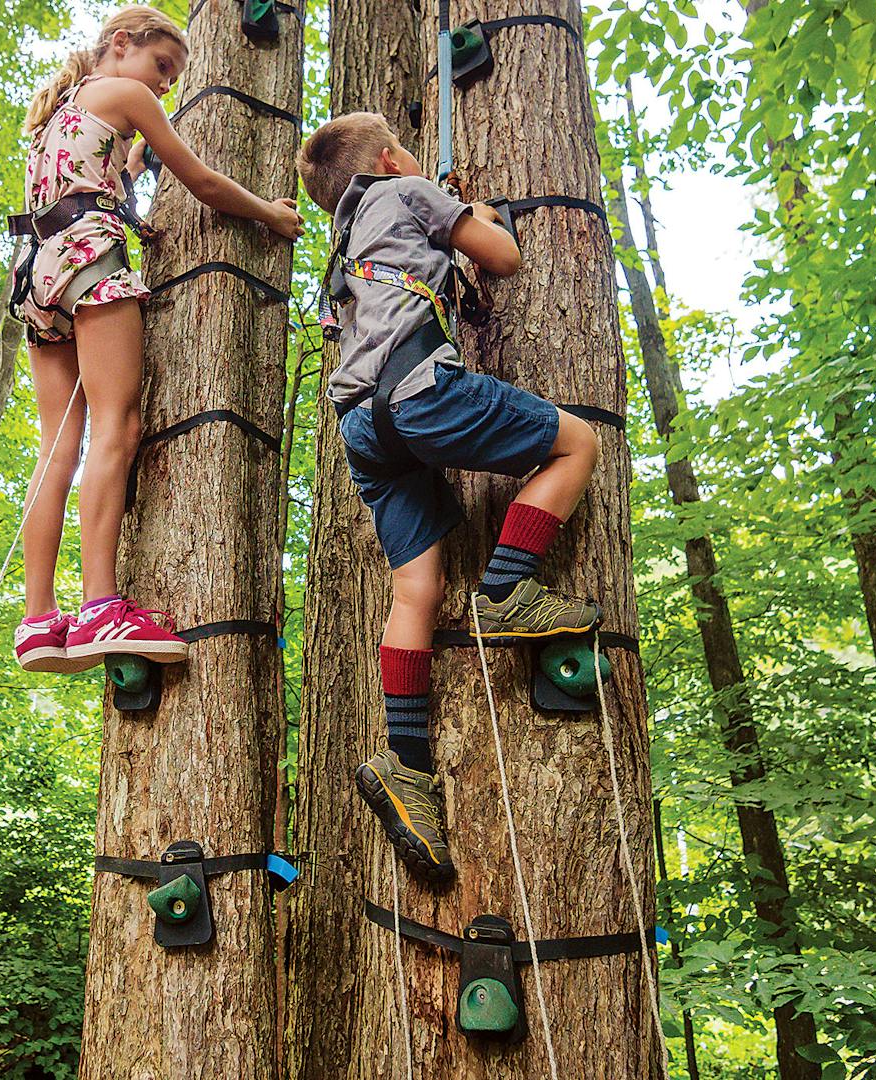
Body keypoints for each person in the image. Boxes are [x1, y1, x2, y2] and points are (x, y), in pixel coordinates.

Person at [297, 112, 600, 882]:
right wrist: (477, 217)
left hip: (362, 424)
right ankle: (507, 589)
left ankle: (407, 764)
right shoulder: (407, 188)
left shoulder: (340, 255)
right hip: (420, 391)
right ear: (391, 159)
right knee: (578, 443)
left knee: (417, 587)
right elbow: (504, 258)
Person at [9, 6, 304, 674]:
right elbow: (200, 181)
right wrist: (270, 213)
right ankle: (100, 608)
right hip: (90, 258)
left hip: (36, 272)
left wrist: (130, 175)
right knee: (119, 423)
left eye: (171, 79)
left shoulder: (62, 115)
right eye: (162, 66)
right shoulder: (127, 94)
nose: (164, 87)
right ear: (121, 45)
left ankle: (37, 621)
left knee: (57, 450)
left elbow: (83, 186)